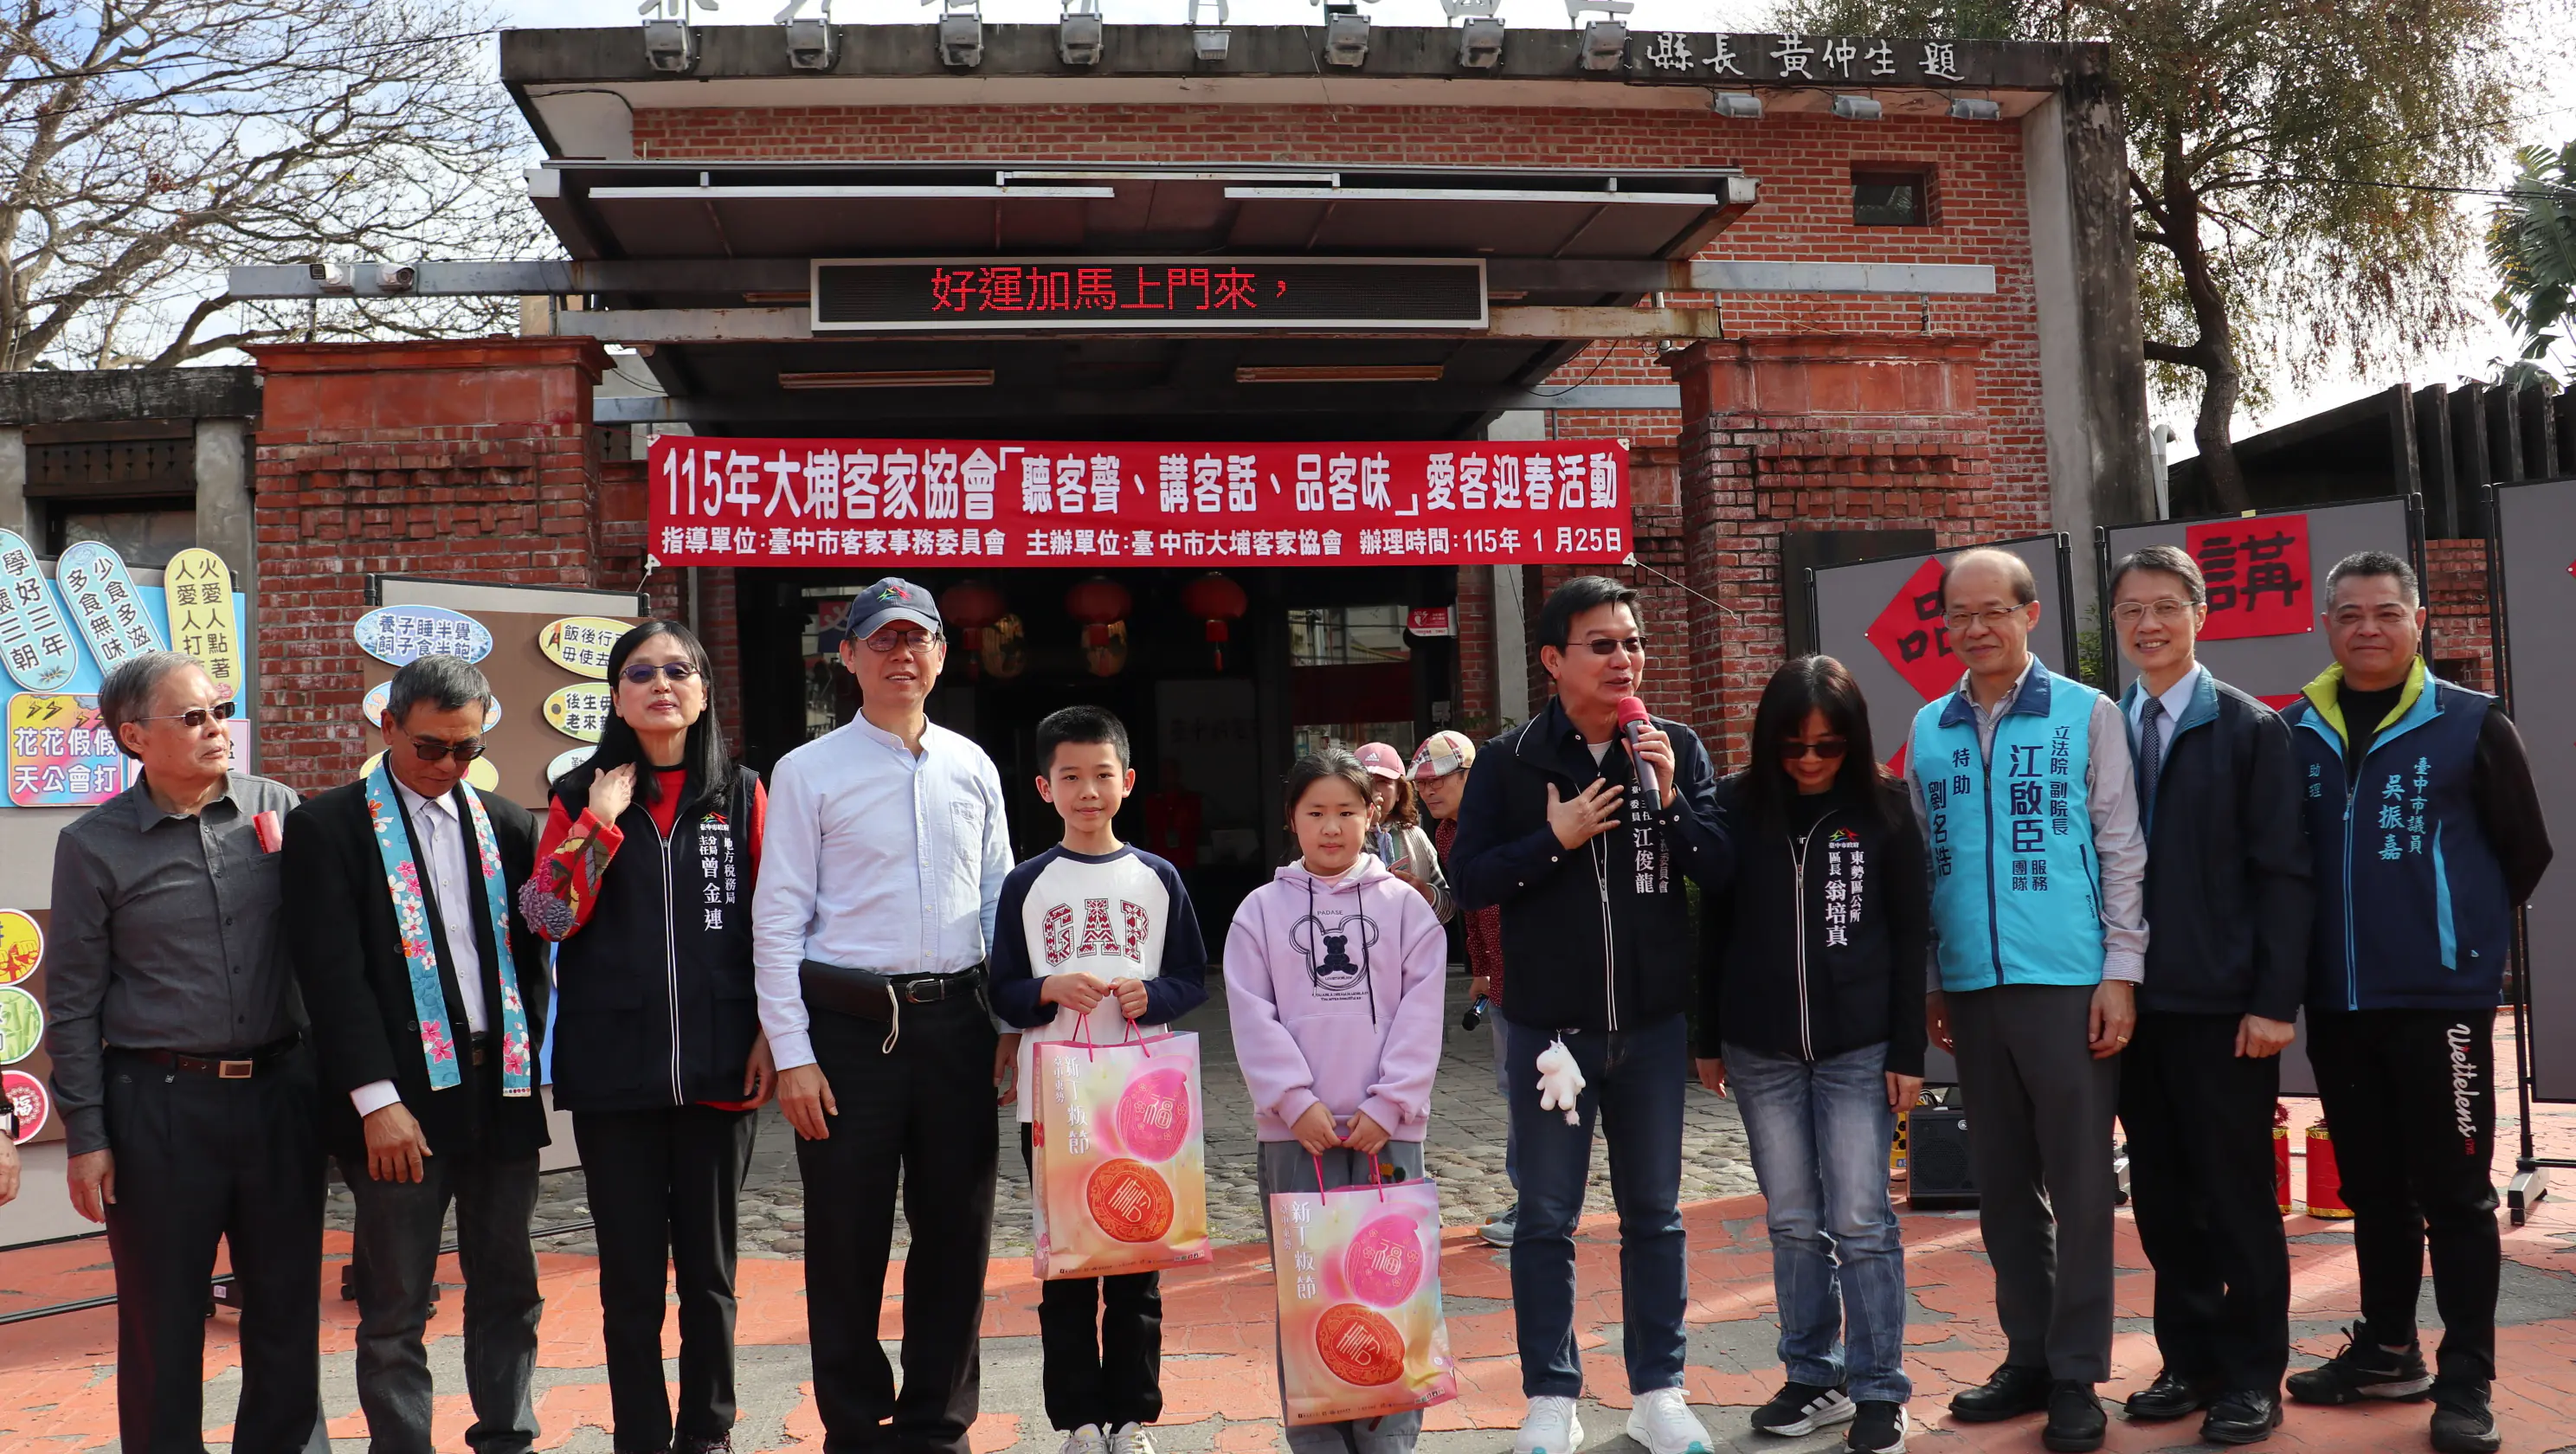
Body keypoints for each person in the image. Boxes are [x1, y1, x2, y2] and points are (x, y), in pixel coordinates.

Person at [1449, 575, 1733, 1454]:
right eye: (1601, 644)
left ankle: (1660, 1391)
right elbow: (1469, 881)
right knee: (1545, 1217)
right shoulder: (1510, 760)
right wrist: (1555, 838)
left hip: (1649, 1033)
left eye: (1632, 643)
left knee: (1656, 1214)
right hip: (1549, 1037)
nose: (1623, 659)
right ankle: (1551, 1397)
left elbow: (1723, 872)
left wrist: (1675, 796)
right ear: (1552, 660)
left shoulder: (1671, 745)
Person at [2281, 550, 2550, 1454]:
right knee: (2372, 1190)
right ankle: (2389, 1349)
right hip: (2340, 1004)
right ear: (2327, 626)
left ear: (2419, 620)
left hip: (2441, 1005)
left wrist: (2455, 943)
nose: (2367, 628)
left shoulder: (2472, 723)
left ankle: (2467, 1379)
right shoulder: (2296, 731)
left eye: (2386, 612)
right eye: (2349, 613)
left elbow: (2526, 852)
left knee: (2458, 1194)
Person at [752, 577, 1017, 1454]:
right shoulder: (808, 772)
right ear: (848, 656)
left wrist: (1012, 1022)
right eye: (883, 640)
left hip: (957, 1028)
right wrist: (792, 1053)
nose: (902, 655)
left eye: (919, 639)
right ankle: (855, 1425)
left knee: (956, 1234)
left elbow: (996, 902)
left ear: (942, 654)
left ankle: (938, 1422)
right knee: (845, 1241)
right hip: (848, 1035)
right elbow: (778, 917)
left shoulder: (972, 765)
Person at [44, 651, 325, 1454]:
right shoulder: (93, 846)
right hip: (159, 1109)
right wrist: (89, 1137)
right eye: (193, 717)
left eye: (220, 710)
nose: (216, 729)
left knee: (283, 1309)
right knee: (163, 1322)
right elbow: (72, 1002)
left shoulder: (279, 808)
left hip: (279, 1094)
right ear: (134, 737)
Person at [1908, 547, 2147, 1454]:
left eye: (1992, 611)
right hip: (1972, 986)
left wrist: (2119, 972)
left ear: (2029, 614)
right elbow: (1930, 862)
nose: (1976, 629)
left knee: (2083, 1186)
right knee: (2001, 1185)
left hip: (2070, 983)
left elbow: (2122, 849)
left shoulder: (2086, 716)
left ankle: (2080, 1374)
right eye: (1959, 616)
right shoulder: (1930, 728)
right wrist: (1936, 977)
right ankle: (2029, 1355)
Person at [519, 621, 775, 1454]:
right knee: (630, 1281)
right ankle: (640, 1434)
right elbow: (550, 916)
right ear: (617, 696)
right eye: (641, 673)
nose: (661, 684)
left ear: (704, 689)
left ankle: (709, 1433)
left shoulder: (740, 792)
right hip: (613, 1074)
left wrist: (775, 1032)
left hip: (719, 1063)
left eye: (679, 670)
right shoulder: (576, 794)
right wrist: (598, 821)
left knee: (709, 1277)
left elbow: (777, 922)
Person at [288, 654, 553, 1454]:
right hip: (398, 1095)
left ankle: (507, 1434)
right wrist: (376, 1101)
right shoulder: (328, 825)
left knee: (509, 1283)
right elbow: (331, 977)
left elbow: (528, 958)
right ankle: (401, 1445)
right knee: (397, 1295)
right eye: (431, 747)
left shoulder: (505, 822)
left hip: (498, 1083)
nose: (447, 766)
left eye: (466, 750)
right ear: (389, 727)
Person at [2104, 546, 2311, 1446]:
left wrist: (2273, 1001)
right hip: (2131, 1006)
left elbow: (2285, 875)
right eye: (2130, 612)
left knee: (2235, 1197)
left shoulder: (2249, 728)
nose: (2148, 625)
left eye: (2164, 607)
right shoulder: (2102, 727)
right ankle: (2187, 1359)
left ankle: (2254, 1374)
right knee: (2159, 1194)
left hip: (2225, 1010)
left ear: (2200, 615)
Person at [1694, 656, 1925, 1454]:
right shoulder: (1736, 805)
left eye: (1828, 746)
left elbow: (1907, 935)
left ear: (1852, 743)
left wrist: (1907, 1050)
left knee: (1862, 1218)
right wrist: (1706, 1037)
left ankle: (1879, 1387)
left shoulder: (1886, 809)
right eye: (1793, 746)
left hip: (1859, 1047)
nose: (1810, 762)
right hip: (1760, 1048)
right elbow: (1712, 927)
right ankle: (1812, 1373)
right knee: (1793, 1220)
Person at [989, 705, 1211, 1454]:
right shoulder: (1028, 883)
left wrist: (1160, 997)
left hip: (1143, 1099)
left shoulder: (1157, 877)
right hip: (1056, 1104)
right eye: (1071, 777)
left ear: (1129, 782)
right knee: (1069, 1265)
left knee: (1138, 1264)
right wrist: (1048, 989)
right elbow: (1002, 991)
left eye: (1102, 776)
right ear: (1045, 788)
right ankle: (1078, 1418)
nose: (1089, 791)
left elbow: (1190, 974)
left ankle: (1131, 1417)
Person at [1227, 750, 1450, 1454]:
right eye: (1316, 813)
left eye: (1347, 812)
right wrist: (1294, 1102)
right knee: (1310, 1292)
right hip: (1298, 1136)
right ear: (1291, 819)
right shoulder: (1260, 913)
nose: (1332, 828)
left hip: (1390, 1132)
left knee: (1391, 1286)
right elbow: (1250, 1013)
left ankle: (1389, 1437)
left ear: (1373, 813)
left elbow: (1423, 1011)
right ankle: (1320, 1440)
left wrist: (1391, 1104)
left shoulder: (1406, 908)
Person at [1411, 730, 1515, 1248]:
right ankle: (1535, 1198)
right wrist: (1479, 965)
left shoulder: (1503, 819)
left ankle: (1540, 1203)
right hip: (1498, 977)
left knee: (1533, 1090)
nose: (1428, 791)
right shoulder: (1447, 833)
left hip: (1534, 971)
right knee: (1513, 1088)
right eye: (1422, 783)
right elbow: (1470, 906)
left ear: (1469, 775)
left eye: (1439, 779)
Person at [1355, 741, 1453, 920]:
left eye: (1383, 782)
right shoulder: (1340, 836)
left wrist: (1426, 894)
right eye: (1365, 781)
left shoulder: (1415, 836)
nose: (1374, 790)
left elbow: (1448, 907)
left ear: (1399, 792)